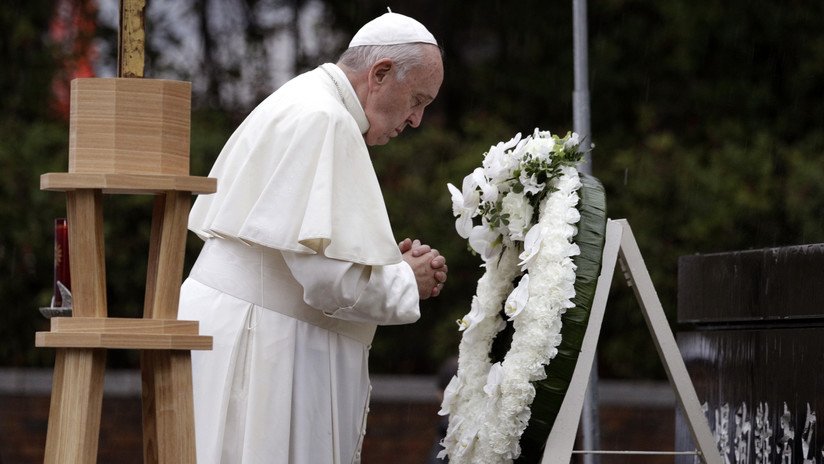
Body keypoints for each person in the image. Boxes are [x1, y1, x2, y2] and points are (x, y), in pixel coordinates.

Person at [177, 10, 447, 464]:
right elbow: (329, 282)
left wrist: (380, 262)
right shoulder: (327, 119)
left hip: (239, 329)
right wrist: (406, 279)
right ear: (380, 74)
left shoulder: (303, 98)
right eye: (417, 99)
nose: (417, 119)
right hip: (261, 346)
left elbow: (308, 251)